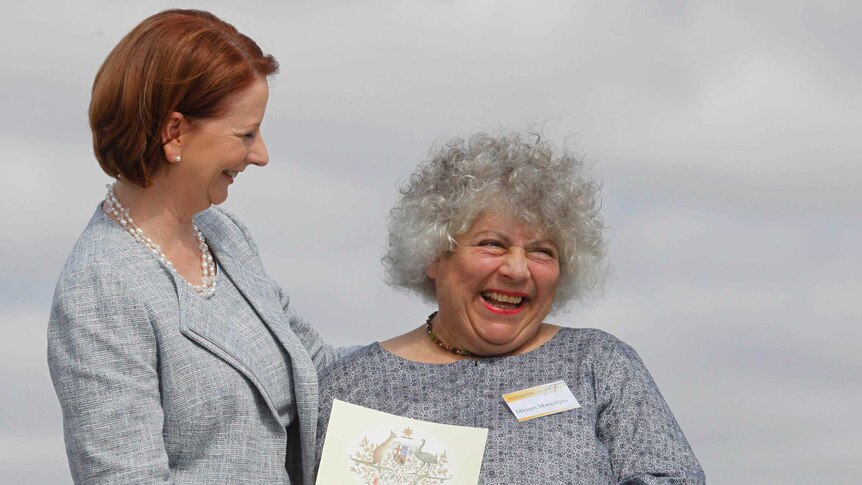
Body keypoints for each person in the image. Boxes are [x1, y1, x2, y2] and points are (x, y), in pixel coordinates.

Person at [48, 9, 341, 484]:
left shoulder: (224, 234)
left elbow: (322, 369)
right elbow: (125, 477)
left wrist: (445, 337)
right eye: (246, 133)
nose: (261, 155)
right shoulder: (101, 286)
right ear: (175, 132)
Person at [315, 132, 705, 483]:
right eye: (493, 244)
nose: (517, 269)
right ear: (434, 256)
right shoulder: (349, 385)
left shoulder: (598, 364)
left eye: (541, 251)